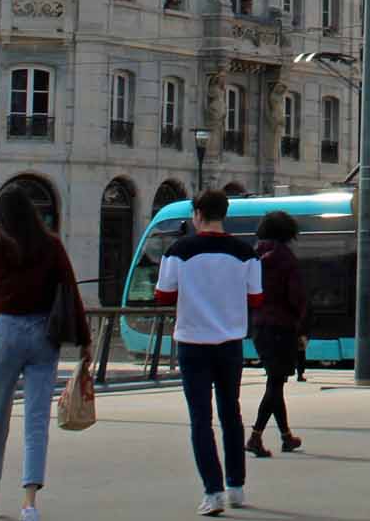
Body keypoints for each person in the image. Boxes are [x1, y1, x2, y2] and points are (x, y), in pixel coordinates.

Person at [0, 183, 91, 521]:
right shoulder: (51, 245)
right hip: (44, 333)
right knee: (36, 421)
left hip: (8, 330)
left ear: (1, 218)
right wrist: (85, 340)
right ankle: (29, 503)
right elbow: (70, 290)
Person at [156, 187, 264, 516]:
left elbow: (163, 294)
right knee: (231, 413)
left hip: (192, 340)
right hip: (230, 341)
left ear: (197, 215)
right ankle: (237, 486)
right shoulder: (246, 252)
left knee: (200, 419)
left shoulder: (178, 250)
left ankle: (212, 491)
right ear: (224, 214)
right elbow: (256, 298)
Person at [246, 210, 309, 458]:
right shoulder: (286, 259)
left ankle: (286, 436)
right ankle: (255, 436)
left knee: (276, 381)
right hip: (282, 327)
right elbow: (297, 297)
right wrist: (301, 324)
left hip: (259, 325)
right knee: (275, 382)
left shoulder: (254, 255)